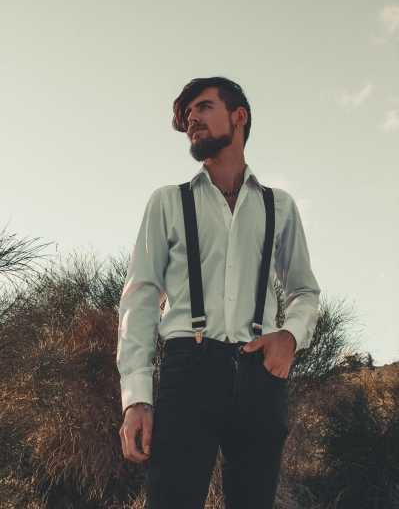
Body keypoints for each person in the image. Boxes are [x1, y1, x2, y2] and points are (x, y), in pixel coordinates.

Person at [117, 76, 321, 509]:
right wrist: (136, 398)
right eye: (188, 114)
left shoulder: (278, 206)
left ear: (239, 116)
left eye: (204, 107)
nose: (192, 118)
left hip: (260, 373)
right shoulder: (168, 202)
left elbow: (304, 290)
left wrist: (290, 337)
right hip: (188, 369)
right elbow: (140, 297)